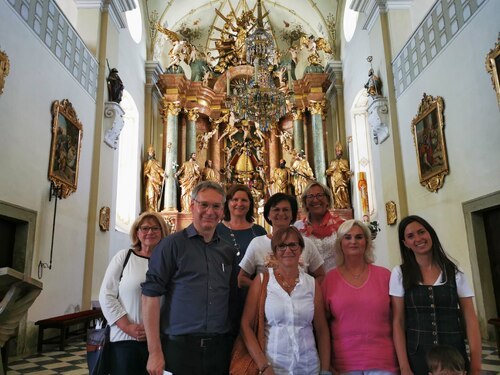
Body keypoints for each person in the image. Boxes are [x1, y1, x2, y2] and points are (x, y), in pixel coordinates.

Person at [141, 181, 236, 375]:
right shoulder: (171, 246)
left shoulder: (227, 251)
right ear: (192, 205)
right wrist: (154, 351)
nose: (210, 211)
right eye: (204, 204)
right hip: (180, 348)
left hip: (219, 348)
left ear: (222, 210)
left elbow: (231, 298)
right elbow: (150, 297)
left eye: (216, 206)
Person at [390, 215, 482, 375]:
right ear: (405, 244)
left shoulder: (454, 272)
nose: (418, 238)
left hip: (454, 358)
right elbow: (398, 321)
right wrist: (404, 367)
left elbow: (470, 318)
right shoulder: (399, 274)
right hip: (417, 357)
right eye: (410, 236)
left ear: (430, 234)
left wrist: (476, 366)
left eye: (421, 232)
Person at [240, 226, 331, 375]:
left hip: (308, 366)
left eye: (293, 245)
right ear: (274, 251)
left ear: (301, 249)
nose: (288, 250)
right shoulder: (262, 281)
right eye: (281, 246)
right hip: (274, 367)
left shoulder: (311, 284)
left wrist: (325, 370)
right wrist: (263, 365)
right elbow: (246, 325)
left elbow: (322, 330)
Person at [322, 219, 398, 373]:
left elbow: (398, 320)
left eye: (359, 237)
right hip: (345, 364)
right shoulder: (330, 280)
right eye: (347, 237)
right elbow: (323, 326)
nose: (353, 242)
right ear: (340, 244)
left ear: (367, 242)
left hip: (383, 362)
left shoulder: (385, 276)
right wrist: (326, 364)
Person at [99, 212, 169, 375]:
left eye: (154, 228)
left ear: (163, 232)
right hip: (125, 339)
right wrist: (128, 326)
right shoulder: (124, 257)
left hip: (160, 341)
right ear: (137, 232)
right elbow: (107, 295)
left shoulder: (168, 261)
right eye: (144, 228)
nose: (149, 232)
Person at [238, 193, 325, 288]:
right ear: (268, 215)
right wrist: (264, 289)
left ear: (293, 215)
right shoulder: (257, 243)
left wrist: (307, 289)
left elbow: (321, 275)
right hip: (268, 301)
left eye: (286, 210)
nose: (281, 213)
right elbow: (241, 279)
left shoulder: (306, 243)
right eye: (276, 210)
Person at [216, 184, 267, 332]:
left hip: (252, 292)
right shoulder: (217, 229)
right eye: (235, 199)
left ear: (250, 203)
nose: (239, 204)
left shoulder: (258, 231)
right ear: (228, 202)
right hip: (224, 293)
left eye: (244, 200)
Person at [295, 182, 344, 272]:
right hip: (309, 282)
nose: (315, 200)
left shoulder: (341, 225)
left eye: (320, 195)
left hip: (337, 280)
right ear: (305, 202)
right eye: (310, 196)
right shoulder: (297, 228)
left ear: (328, 200)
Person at [325, 142, 352, 209]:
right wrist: (328, 172)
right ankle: (337, 205)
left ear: (341, 152)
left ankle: (345, 204)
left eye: (339, 151)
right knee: (336, 193)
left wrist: (348, 173)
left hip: (341, 178)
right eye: (337, 151)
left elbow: (346, 170)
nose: (338, 153)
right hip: (334, 179)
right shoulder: (333, 162)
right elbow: (329, 170)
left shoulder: (345, 161)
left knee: (342, 190)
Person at [143, 145, 165, 212]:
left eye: (152, 151)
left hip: (157, 181)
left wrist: (163, 175)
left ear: (154, 153)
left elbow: (160, 170)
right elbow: (145, 172)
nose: (151, 153)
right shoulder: (147, 163)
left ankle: (155, 209)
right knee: (151, 195)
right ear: (148, 153)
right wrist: (150, 177)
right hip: (150, 181)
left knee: (156, 196)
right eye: (150, 151)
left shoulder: (157, 162)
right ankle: (150, 209)